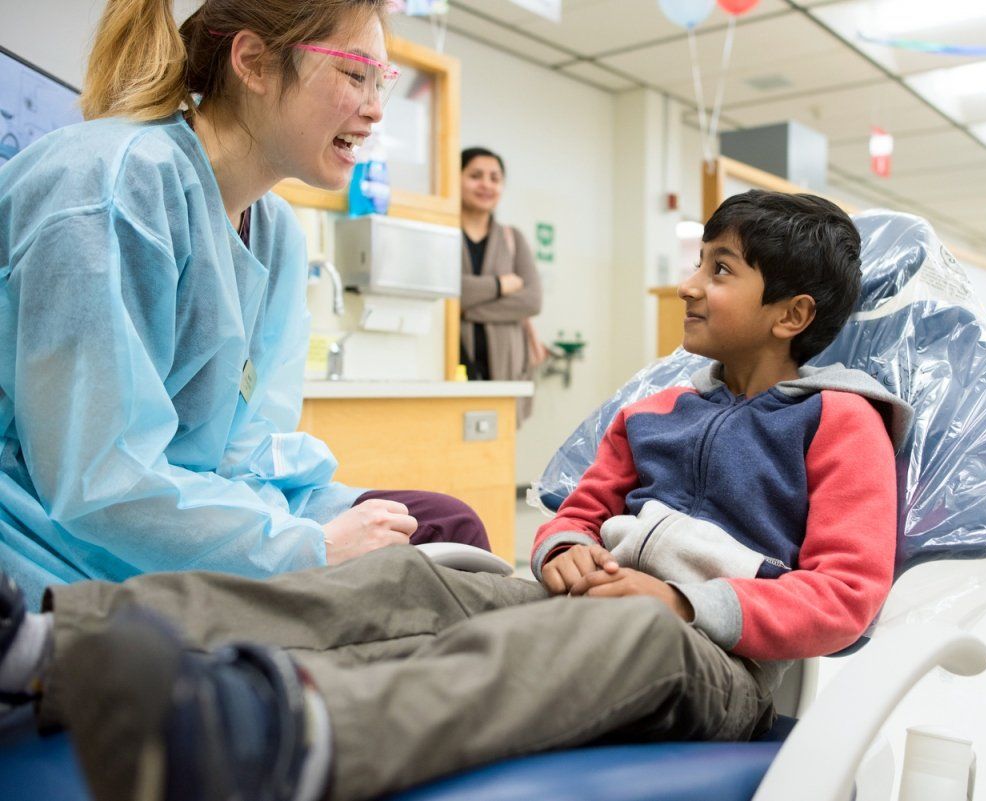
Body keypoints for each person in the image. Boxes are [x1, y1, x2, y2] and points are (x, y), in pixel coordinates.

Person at [0, 191, 910, 801]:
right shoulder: (658, 409)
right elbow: (574, 512)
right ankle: (50, 641)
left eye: (721, 269)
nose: (690, 283)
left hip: (712, 664)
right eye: (700, 261)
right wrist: (564, 550)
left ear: (792, 314)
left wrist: (682, 600)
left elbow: (846, 595)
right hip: (589, 598)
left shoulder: (839, 423)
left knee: (626, 630)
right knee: (421, 580)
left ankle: (290, 737)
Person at [0, 0, 491, 606]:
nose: (375, 110)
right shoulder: (112, 185)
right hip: (54, 540)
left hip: (187, 506)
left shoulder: (275, 229)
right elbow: (100, 479)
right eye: (354, 74)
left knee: (447, 528)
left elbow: (241, 443)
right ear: (254, 63)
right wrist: (306, 547)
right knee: (406, 602)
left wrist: (313, 518)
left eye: (381, 80)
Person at [458, 146, 544, 423]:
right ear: (456, 178)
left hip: (506, 370)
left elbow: (531, 300)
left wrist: (466, 308)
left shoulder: (512, 238)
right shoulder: (443, 233)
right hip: (453, 366)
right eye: (475, 175)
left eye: (495, 178)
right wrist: (498, 285)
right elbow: (443, 293)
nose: (486, 184)